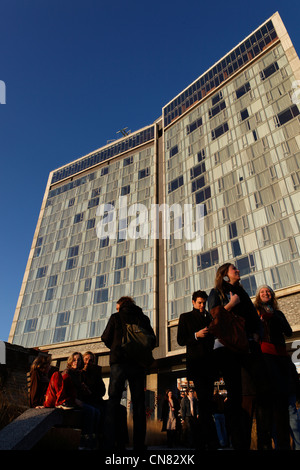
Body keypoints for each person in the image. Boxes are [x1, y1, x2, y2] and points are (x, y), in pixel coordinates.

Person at [207, 263, 262, 450]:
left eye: (237, 269)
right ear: (224, 275)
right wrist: (231, 304)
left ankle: (246, 442)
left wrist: (256, 334)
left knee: (250, 394)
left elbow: (254, 318)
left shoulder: (243, 293)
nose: (238, 270)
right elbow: (213, 320)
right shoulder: (216, 292)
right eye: (233, 269)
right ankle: (237, 442)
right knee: (235, 394)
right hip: (227, 347)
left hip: (246, 346)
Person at [101, 296, 156, 452]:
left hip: (119, 363)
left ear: (121, 305)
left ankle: (109, 444)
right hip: (138, 364)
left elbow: (105, 337)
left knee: (113, 402)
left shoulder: (116, 317)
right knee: (139, 405)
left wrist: (115, 346)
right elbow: (152, 340)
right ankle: (139, 445)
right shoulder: (143, 318)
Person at [177, 290, 219, 450]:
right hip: (197, 364)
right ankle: (207, 441)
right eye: (199, 303)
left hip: (210, 365)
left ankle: (203, 440)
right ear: (193, 302)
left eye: (204, 303)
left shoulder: (209, 317)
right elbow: (181, 340)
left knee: (207, 402)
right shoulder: (185, 317)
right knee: (204, 401)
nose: (202, 306)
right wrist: (196, 335)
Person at [254, 285, 293, 450]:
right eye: (262, 292)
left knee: (282, 404)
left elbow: (289, 332)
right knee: (267, 404)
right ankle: (266, 443)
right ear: (258, 296)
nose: (265, 293)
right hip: (264, 356)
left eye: (268, 291)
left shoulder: (278, 314)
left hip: (281, 357)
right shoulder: (255, 312)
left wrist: (275, 317)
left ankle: (282, 443)